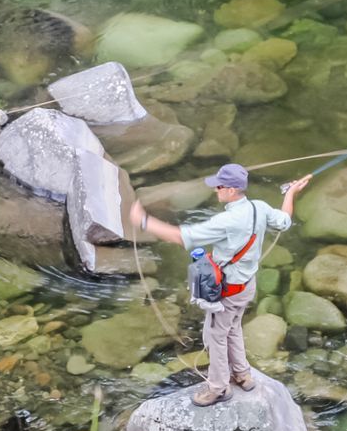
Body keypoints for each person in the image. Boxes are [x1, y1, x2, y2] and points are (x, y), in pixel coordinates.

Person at [128, 163, 312, 406]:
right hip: (246, 286)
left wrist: (143, 221)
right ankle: (243, 375)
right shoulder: (259, 207)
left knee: (215, 336)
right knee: (233, 327)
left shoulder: (226, 221)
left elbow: (180, 237)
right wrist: (291, 193)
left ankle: (218, 388)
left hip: (228, 290)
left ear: (232, 190)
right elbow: (285, 220)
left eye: (219, 186)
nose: (215, 190)